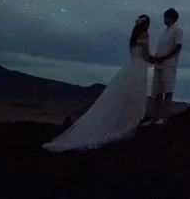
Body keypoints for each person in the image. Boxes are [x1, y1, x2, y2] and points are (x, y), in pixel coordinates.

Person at [42, 15, 151, 152]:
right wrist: (159, 59)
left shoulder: (133, 37)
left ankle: (126, 124)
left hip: (131, 66)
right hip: (139, 67)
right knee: (135, 94)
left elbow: (134, 54)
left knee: (126, 94)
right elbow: (146, 55)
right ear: (147, 25)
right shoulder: (145, 35)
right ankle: (130, 125)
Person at [148, 7, 183, 125]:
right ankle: (155, 117)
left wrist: (164, 58)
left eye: (167, 17)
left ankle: (165, 117)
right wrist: (156, 58)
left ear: (173, 18)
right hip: (159, 64)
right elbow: (161, 47)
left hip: (168, 65)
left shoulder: (177, 30)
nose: (165, 19)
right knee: (158, 90)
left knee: (168, 90)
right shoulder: (164, 32)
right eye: (164, 17)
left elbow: (178, 47)